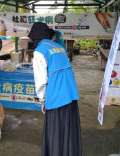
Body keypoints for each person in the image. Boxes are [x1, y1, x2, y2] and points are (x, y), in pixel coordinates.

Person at [28, 22, 82, 156]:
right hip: (70, 94)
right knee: (68, 128)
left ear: (35, 38)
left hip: (56, 97)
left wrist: (42, 100)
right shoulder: (59, 47)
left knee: (56, 131)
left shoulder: (39, 52)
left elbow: (41, 81)